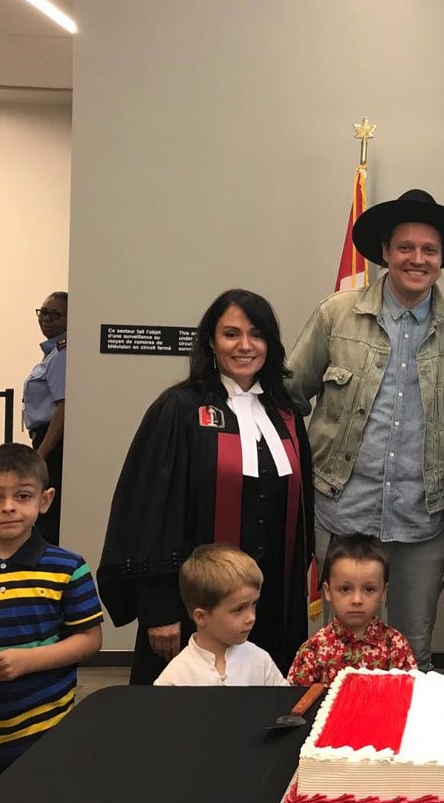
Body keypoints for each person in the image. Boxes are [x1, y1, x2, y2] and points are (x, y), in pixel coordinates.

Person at [287, 189, 444, 669]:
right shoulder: (336, 315)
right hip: (341, 510)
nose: (417, 259)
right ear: (386, 254)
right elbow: (288, 396)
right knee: (340, 646)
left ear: (442, 259)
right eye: (406, 248)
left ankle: (403, 742)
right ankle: (339, 742)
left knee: (412, 645)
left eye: (428, 250)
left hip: (422, 518)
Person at [99, 289, 314, 684]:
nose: (245, 345)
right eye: (231, 334)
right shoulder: (179, 410)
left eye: (257, 334)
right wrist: (159, 608)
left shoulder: (285, 414)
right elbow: (149, 514)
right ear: (211, 342)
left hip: (272, 605)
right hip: (194, 609)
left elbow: (302, 516)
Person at [0, 444, 102, 803]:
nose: (9, 506)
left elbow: (89, 638)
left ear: (44, 499)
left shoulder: (68, 567)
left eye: (22, 495)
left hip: (44, 734)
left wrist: (24, 661)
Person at [288, 534, 417, 686]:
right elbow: (295, 701)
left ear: (383, 591)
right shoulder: (314, 650)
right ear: (328, 591)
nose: (357, 600)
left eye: (369, 589)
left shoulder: (396, 645)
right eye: (345, 589)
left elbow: (410, 697)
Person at [154, 544, 289, 687]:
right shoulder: (175, 677)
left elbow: (284, 705)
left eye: (254, 604)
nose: (251, 617)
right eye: (239, 609)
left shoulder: (260, 662)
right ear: (201, 617)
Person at [23, 291, 68, 544]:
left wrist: (41, 453)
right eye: (43, 312)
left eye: (56, 314)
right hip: (46, 441)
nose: (46, 319)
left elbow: (64, 407)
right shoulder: (52, 351)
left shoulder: (62, 353)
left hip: (52, 443)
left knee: (47, 514)